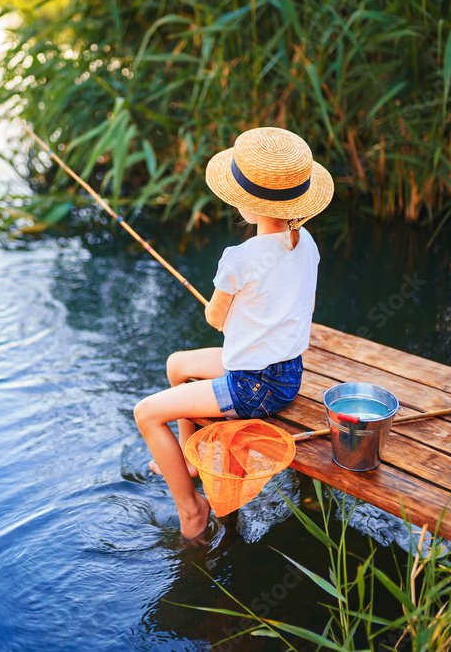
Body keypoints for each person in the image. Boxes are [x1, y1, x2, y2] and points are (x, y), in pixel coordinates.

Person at [133, 127, 334, 539]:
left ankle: (191, 508)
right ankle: (191, 461)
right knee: (177, 366)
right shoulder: (307, 242)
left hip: (251, 386)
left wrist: (231, 309)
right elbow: (305, 307)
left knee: (146, 413)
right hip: (289, 374)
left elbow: (214, 318)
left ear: (245, 204)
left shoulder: (238, 258)